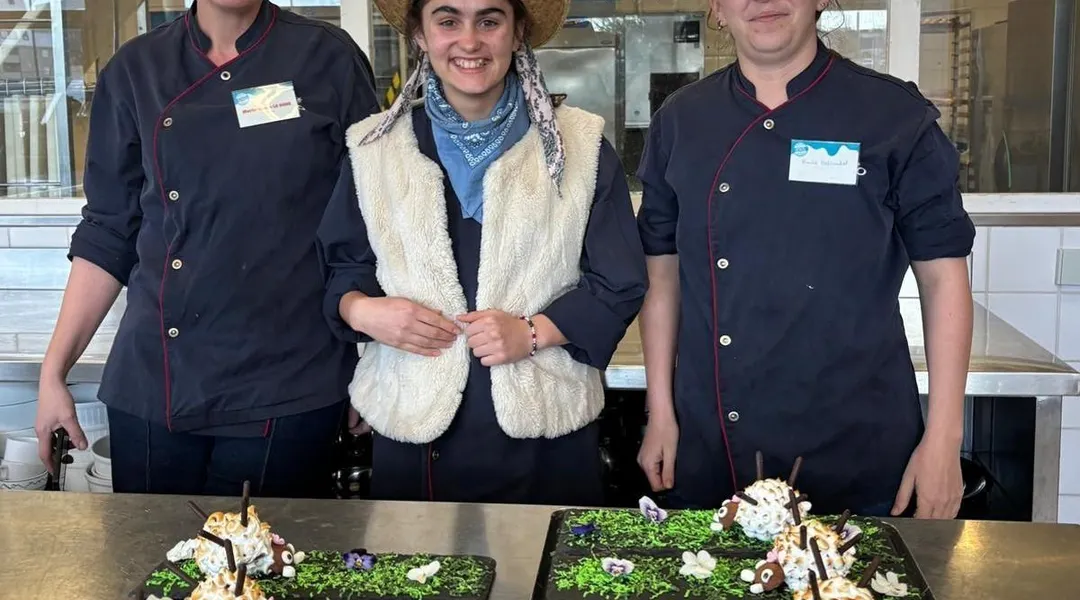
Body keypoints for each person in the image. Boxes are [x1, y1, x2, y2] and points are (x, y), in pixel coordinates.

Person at [635, 0, 975, 519]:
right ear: (717, 10)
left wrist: (943, 439)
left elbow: (943, 278)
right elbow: (662, 274)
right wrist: (660, 412)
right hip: (711, 446)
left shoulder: (892, 115)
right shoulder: (681, 120)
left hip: (858, 449)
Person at [34, 0, 380, 497]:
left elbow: (369, 220)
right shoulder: (137, 69)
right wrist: (54, 372)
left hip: (289, 381)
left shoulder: (326, 58)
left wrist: (371, 361)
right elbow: (109, 232)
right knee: (152, 567)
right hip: (154, 385)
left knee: (269, 568)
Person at [317, 0, 647, 505]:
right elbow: (343, 269)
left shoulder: (578, 146)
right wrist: (364, 311)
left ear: (518, 34)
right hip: (414, 425)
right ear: (420, 36)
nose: (469, 41)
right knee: (421, 577)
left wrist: (534, 332)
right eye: (448, 21)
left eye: (489, 21)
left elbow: (619, 281)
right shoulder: (373, 150)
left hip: (545, 426)